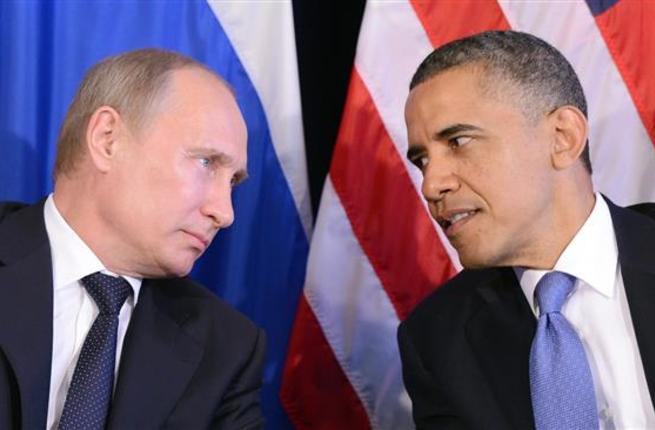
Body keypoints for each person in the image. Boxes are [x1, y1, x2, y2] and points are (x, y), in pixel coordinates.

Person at [397, 30, 655, 429]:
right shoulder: (438, 340)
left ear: (562, 138)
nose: (431, 186)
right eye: (422, 161)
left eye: (459, 141)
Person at [0, 49, 265, 429]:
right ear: (108, 140)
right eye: (207, 163)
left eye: (233, 182)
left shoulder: (226, 350)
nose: (225, 213)